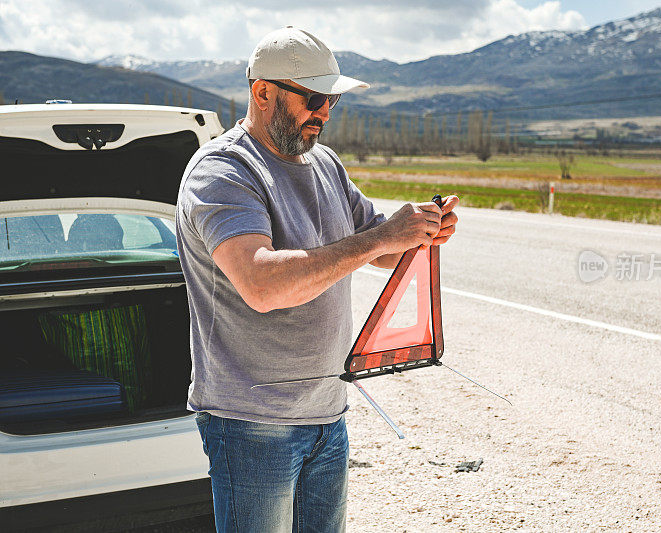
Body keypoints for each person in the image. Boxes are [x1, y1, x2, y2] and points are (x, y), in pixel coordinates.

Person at [175, 26, 458, 532]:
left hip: (328, 416)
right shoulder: (222, 172)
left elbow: (379, 246)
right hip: (250, 422)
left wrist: (422, 234)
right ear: (263, 92)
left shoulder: (324, 163)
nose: (324, 113)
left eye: (332, 100)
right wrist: (382, 238)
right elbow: (262, 285)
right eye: (313, 98)